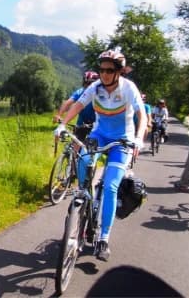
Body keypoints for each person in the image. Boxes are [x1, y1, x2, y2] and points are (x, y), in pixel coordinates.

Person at [55, 48, 146, 261]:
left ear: (119, 72)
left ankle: (103, 238)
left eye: (109, 70)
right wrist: (63, 124)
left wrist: (139, 139)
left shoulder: (128, 88)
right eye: (101, 69)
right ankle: (84, 197)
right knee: (84, 161)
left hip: (122, 140)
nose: (104, 74)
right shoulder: (95, 88)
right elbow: (78, 105)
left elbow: (141, 115)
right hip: (99, 135)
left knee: (111, 186)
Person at [54, 71, 99, 142]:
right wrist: (59, 115)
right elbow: (67, 103)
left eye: (91, 83)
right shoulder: (80, 92)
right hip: (81, 123)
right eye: (86, 83)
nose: (88, 86)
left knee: (94, 148)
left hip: (96, 125)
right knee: (75, 145)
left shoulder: (101, 94)